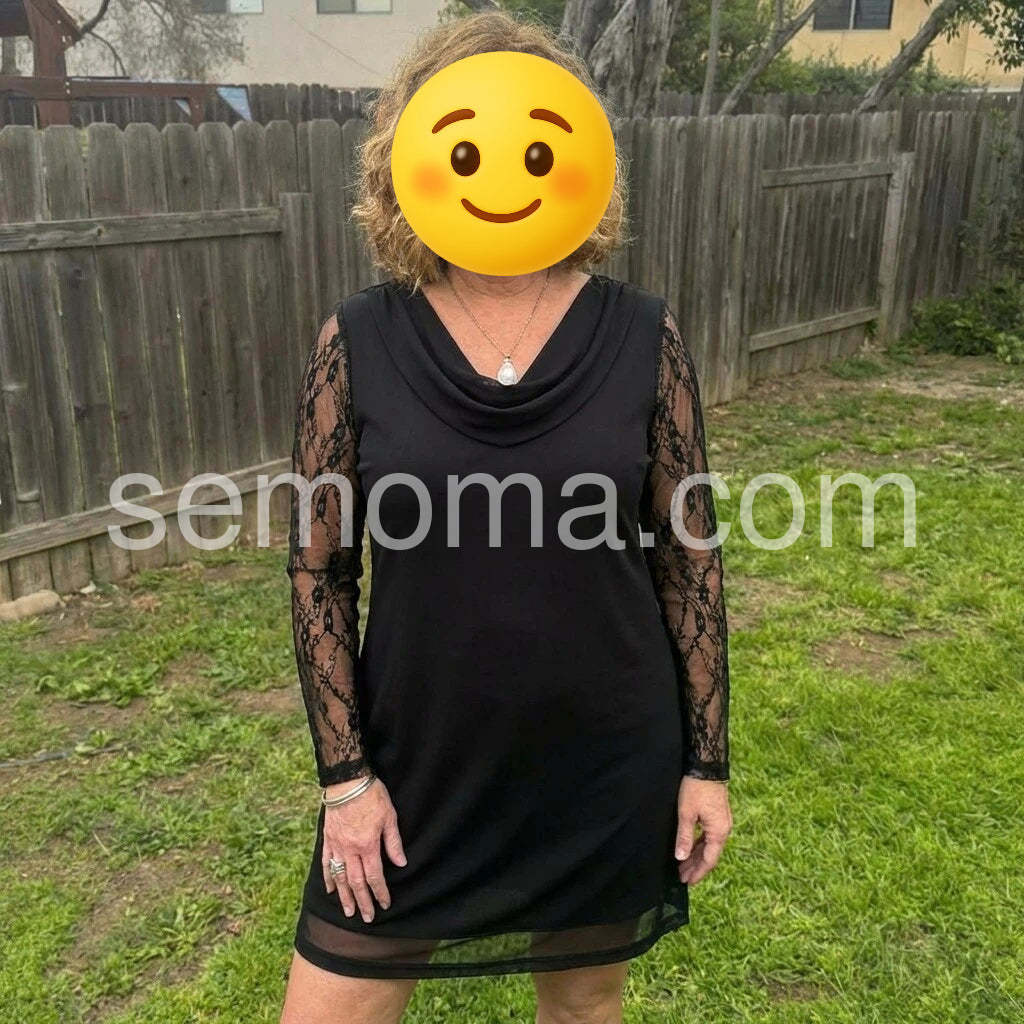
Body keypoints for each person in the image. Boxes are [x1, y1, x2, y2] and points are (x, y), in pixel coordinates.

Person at [279, 11, 732, 1024]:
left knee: (583, 1008)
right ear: (409, 151)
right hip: (418, 764)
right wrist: (346, 779)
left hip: (602, 759)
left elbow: (688, 560)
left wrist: (705, 764)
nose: (501, 171)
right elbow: (320, 571)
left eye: (531, 145)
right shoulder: (357, 340)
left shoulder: (644, 334)